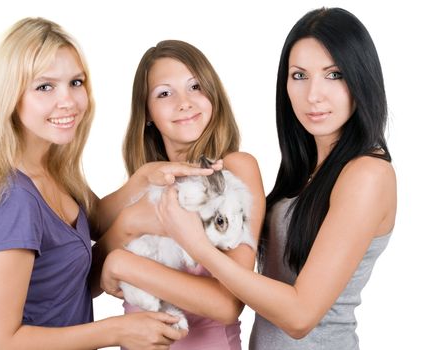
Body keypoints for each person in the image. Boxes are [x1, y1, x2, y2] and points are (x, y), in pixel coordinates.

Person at [145, 8, 397, 350]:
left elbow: (299, 316)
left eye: (334, 74)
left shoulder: (368, 173)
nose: (314, 95)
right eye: (299, 76)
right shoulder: (305, 169)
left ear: (361, 78)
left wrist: (197, 246)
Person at [0, 17, 187, 350]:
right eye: (45, 86)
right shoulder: (12, 202)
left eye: (75, 82)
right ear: (10, 97)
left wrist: (144, 178)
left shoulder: (54, 172)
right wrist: (117, 331)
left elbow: (94, 222)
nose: (68, 101)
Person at [96, 40, 266, 349]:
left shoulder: (235, 171)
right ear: (146, 112)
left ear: (213, 95)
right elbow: (87, 280)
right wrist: (128, 223)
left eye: (195, 87)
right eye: (164, 93)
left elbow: (228, 303)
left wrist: (122, 264)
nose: (184, 102)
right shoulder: (141, 186)